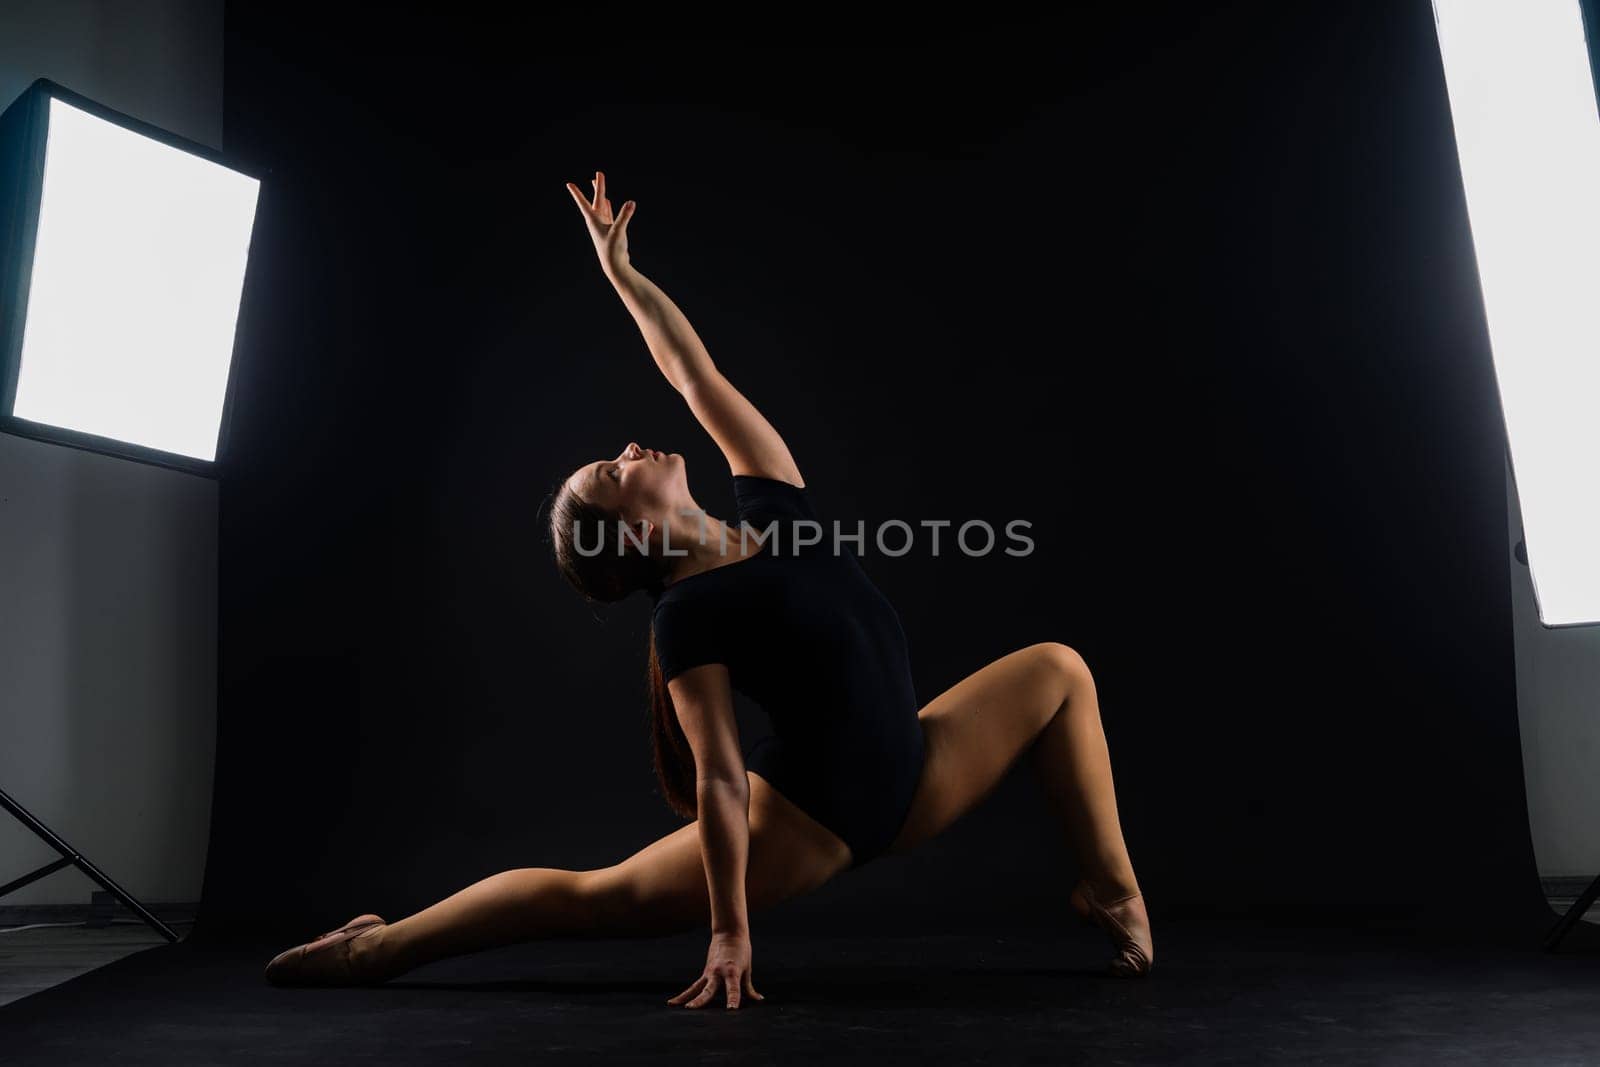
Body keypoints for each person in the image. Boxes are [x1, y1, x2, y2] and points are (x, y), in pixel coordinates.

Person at [264, 171, 1152, 1007]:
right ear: (637, 532)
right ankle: (378, 947)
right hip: (816, 820)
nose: (627, 449)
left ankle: (1113, 895)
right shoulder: (689, 618)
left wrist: (621, 274)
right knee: (589, 897)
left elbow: (695, 374)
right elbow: (721, 779)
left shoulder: (772, 497)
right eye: (614, 473)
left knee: (1058, 670)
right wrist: (731, 929)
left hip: (918, 768)